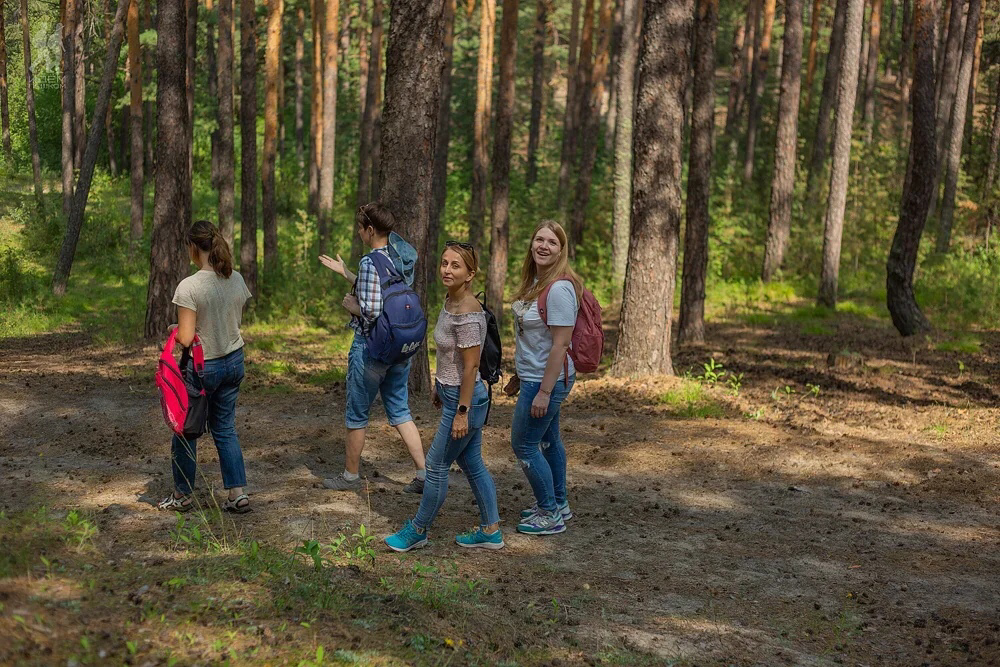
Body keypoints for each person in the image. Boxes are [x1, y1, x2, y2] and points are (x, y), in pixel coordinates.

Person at [384, 242, 503, 552]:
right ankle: (491, 531)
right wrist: (439, 385)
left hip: (466, 401)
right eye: (445, 263)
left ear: (470, 273)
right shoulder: (451, 301)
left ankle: (418, 530)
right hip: (454, 395)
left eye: (456, 266)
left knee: (435, 466)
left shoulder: (467, 311)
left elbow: (471, 366)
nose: (447, 270)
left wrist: (461, 410)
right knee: (473, 463)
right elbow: (450, 358)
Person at [318, 202, 426, 492]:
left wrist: (352, 307)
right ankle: (424, 475)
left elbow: (372, 311)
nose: (358, 233)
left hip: (370, 349)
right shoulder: (397, 257)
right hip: (399, 350)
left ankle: (350, 477)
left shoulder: (369, 262)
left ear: (369, 230)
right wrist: (345, 273)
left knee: (356, 413)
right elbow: (385, 293)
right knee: (401, 411)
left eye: (360, 228)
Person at [158, 220, 253, 514]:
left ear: (193, 247)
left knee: (186, 430)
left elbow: (186, 337)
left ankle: (183, 495)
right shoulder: (235, 278)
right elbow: (232, 319)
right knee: (225, 428)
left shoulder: (189, 286)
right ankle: (238, 494)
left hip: (203, 368)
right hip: (234, 361)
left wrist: (176, 328)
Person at [507, 221, 580, 535]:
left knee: (523, 445)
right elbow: (532, 338)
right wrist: (519, 374)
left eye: (552, 242)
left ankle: (549, 513)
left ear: (561, 250)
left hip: (547, 381)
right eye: (539, 239)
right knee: (549, 441)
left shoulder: (559, 288)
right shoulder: (536, 282)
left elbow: (561, 344)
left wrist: (544, 392)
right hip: (534, 376)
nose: (543, 246)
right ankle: (558, 502)